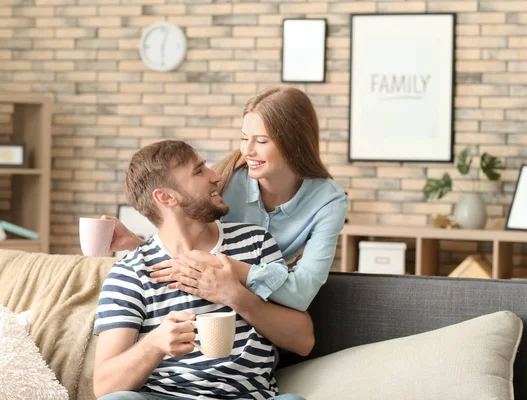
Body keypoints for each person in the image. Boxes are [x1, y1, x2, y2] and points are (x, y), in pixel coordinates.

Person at [94, 140, 311, 400]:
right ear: (166, 197)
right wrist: (154, 343)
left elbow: (303, 340)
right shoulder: (130, 274)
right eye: (199, 171)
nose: (216, 176)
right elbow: (104, 386)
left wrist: (234, 295)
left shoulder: (255, 243)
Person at [108, 87, 348, 312]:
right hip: (211, 301)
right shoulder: (224, 180)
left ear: (294, 144)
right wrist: (136, 245)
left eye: (261, 141)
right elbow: (187, 245)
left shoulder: (329, 202)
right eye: (244, 138)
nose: (247, 150)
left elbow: (299, 294)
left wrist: (227, 266)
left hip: (269, 307)